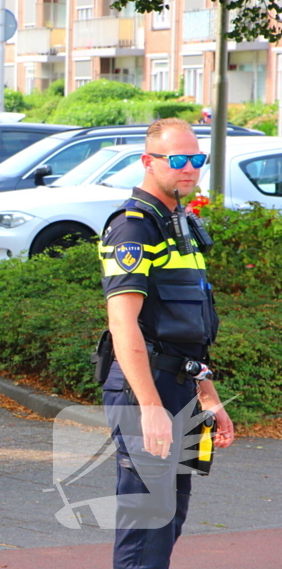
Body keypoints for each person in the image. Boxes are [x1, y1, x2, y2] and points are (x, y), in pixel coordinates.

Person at [98, 118, 234, 569]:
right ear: (147, 161)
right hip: (148, 390)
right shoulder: (134, 228)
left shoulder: (182, 223)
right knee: (146, 524)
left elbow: (189, 324)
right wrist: (151, 406)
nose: (190, 168)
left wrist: (208, 393)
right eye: (178, 160)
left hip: (183, 386)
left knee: (170, 516)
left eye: (197, 159)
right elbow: (123, 325)